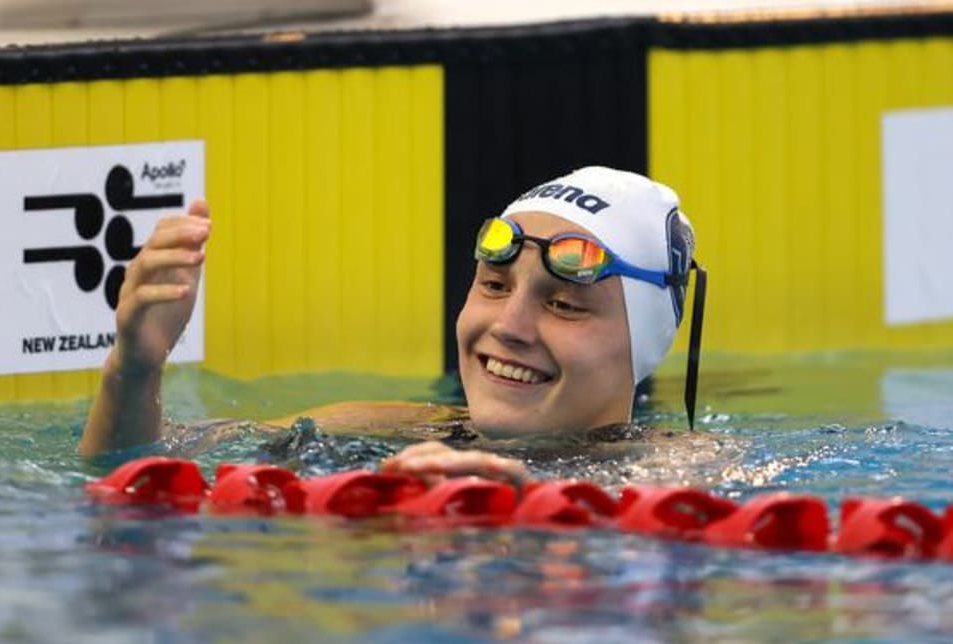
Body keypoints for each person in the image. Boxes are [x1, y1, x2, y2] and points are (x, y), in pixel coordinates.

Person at [79, 166, 703, 485]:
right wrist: (134, 369)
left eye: (564, 304)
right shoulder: (378, 427)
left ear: (639, 341)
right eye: (493, 285)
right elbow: (131, 470)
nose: (509, 326)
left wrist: (527, 516)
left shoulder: (685, 471)